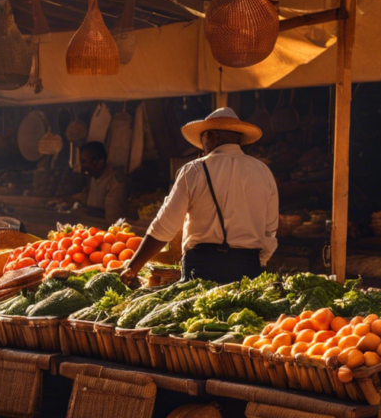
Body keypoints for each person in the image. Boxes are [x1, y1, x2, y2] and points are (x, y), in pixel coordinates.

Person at [121, 108, 278, 285]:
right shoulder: (263, 172)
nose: (202, 146)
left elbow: (164, 226)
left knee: (200, 313)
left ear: (211, 136)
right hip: (248, 267)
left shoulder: (193, 170)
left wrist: (132, 267)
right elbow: (270, 230)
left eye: (202, 138)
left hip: (202, 268)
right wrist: (258, 262)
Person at [76, 141, 127, 223]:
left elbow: (112, 220)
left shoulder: (115, 183)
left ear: (100, 162)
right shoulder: (92, 176)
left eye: (84, 161)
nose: (82, 167)